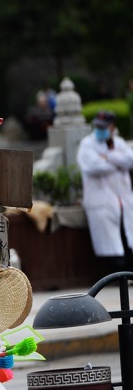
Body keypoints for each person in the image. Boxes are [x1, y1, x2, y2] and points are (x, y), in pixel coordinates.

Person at [77, 110, 133, 272]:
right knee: (111, 246)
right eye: (97, 126)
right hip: (102, 202)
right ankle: (117, 274)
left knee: (126, 236)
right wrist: (117, 160)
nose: (100, 129)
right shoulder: (87, 144)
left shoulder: (119, 142)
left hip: (123, 202)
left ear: (112, 126)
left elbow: (130, 159)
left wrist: (107, 156)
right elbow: (93, 166)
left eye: (104, 127)